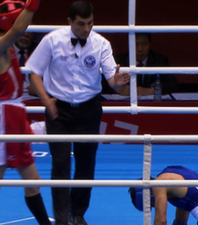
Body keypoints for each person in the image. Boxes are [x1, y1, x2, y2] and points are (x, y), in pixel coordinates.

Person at [26, 1, 131, 224]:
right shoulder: (52, 40)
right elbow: (33, 73)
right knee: (61, 164)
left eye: (90, 23)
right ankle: (62, 218)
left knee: (86, 163)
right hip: (58, 110)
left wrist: (116, 82)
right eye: (81, 23)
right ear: (69, 21)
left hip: (89, 109)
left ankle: (78, 213)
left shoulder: (101, 43)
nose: (86, 28)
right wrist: (47, 101)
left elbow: (111, 78)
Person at [0, 1, 51, 225]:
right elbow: (18, 29)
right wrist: (33, 4)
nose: (24, 27)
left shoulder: (8, 47)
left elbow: (17, 30)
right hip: (5, 119)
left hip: (16, 115)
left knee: (32, 179)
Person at [129, 166, 198, 225]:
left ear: (149, 194)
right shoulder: (172, 172)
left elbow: (161, 220)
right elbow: (183, 208)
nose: (156, 205)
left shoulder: (158, 185)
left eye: (153, 204)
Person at [102, 33, 179, 96]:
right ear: (129, 45)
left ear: (150, 44)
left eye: (144, 44)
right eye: (136, 44)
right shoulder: (119, 60)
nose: (140, 49)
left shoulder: (160, 60)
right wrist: (117, 88)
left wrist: (151, 90)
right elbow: (102, 83)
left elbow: (173, 85)